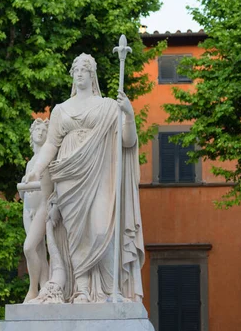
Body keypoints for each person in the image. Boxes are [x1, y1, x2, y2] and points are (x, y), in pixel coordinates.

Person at [24, 53, 145, 304]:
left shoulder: (109, 107)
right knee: (74, 234)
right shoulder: (61, 110)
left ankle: (112, 290)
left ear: (93, 75)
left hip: (99, 173)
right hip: (67, 174)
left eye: (84, 69)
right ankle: (81, 288)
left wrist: (129, 116)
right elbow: (50, 145)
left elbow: (127, 141)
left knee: (102, 229)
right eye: (76, 69)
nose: (79, 73)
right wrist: (37, 169)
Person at [21, 118, 53, 303]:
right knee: (39, 251)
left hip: (42, 206)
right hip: (28, 209)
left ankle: (32, 290)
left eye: (43, 131)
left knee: (29, 247)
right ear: (31, 135)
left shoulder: (46, 159)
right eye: (37, 130)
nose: (40, 133)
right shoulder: (31, 161)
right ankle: (44, 288)